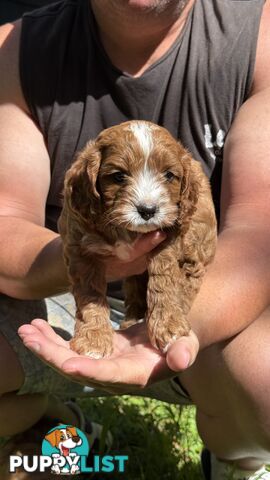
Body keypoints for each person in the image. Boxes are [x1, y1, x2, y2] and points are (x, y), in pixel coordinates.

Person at [1, 0, 270, 479]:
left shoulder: (258, 35)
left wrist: (176, 321)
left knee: (264, 377)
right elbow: (5, 224)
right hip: (57, 293)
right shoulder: (15, 49)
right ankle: (59, 429)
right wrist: (90, 258)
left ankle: (240, 458)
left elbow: (257, 231)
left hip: (211, 296)